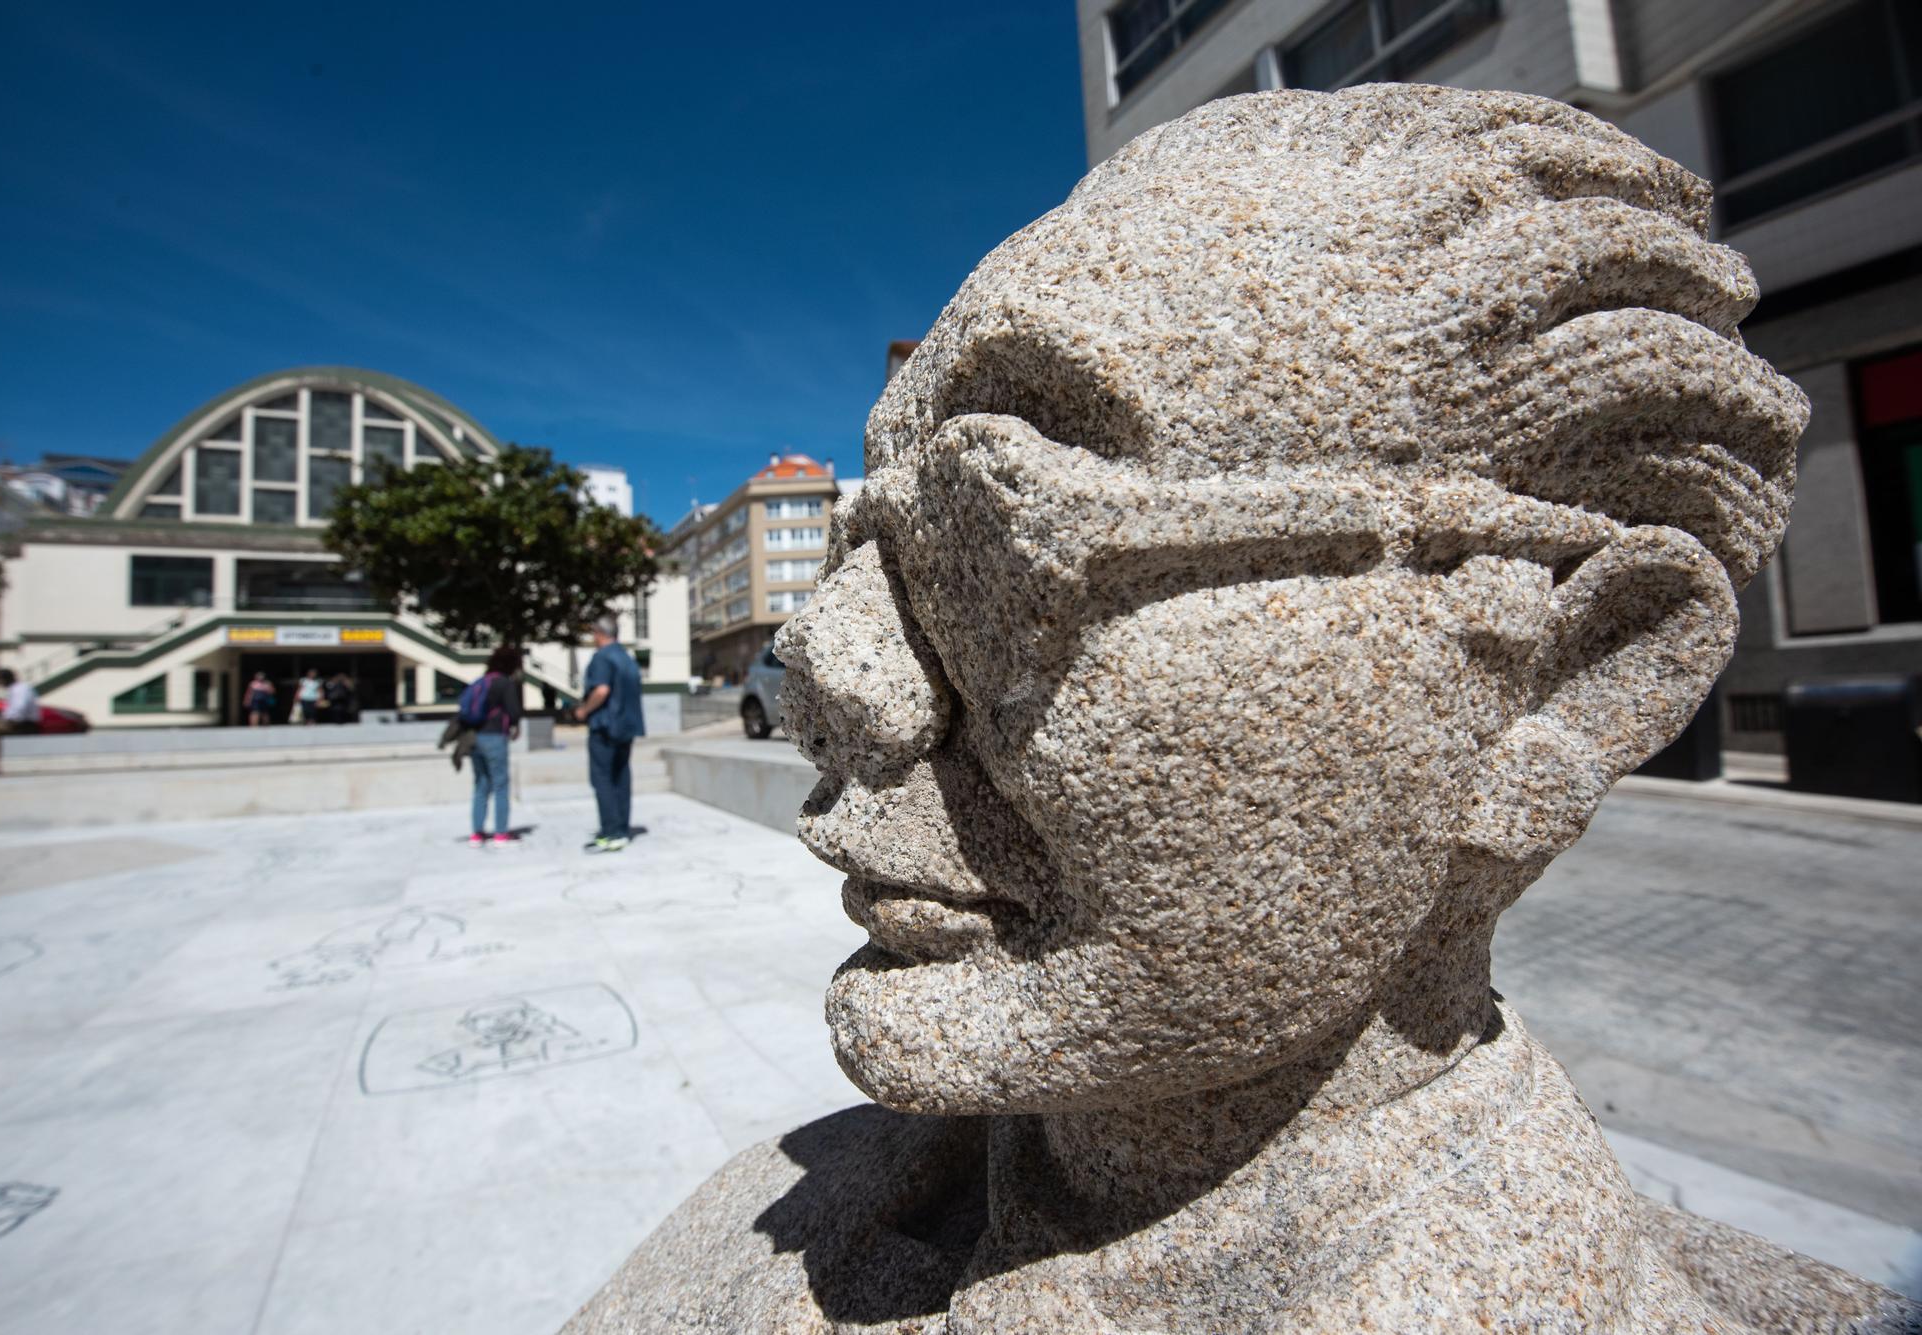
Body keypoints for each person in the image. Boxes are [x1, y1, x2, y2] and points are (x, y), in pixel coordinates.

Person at [568, 89, 1905, 1332]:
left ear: (1565, 675)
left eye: (1001, 533)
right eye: (867, 548)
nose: (839, 689)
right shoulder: (770, 1231)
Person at [574, 614, 644, 853]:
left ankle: (611, 832)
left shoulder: (602, 657)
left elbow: (602, 690)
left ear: (599, 633)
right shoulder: (627, 658)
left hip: (605, 726)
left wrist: (584, 710)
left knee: (602, 778)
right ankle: (621, 829)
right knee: (621, 776)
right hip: (627, 726)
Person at [466, 647, 523, 846]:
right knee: (500, 785)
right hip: (495, 737)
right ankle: (500, 833)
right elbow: (514, 712)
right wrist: (515, 726)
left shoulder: (481, 682)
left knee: (481, 785)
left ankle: (477, 833)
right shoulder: (505, 684)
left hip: (474, 738)